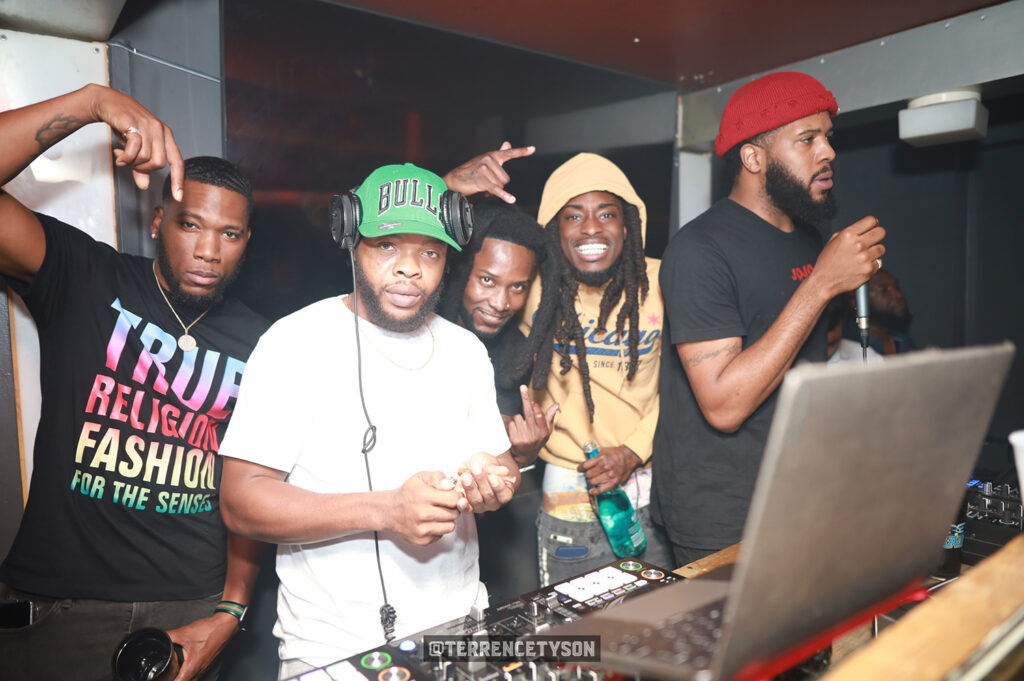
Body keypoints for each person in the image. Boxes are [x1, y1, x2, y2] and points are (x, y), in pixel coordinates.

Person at [0, 85, 268, 681]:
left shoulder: (264, 342)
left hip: (190, 609)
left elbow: (253, 485)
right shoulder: (86, 278)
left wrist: (230, 611)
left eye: (229, 234)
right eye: (191, 224)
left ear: (246, 243)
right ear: (157, 222)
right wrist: (92, 102)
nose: (208, 250)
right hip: (63, 606)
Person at [218, 164, 520, 677]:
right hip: (332, 651)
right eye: (387, 246)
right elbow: (240, 502)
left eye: (430, 251)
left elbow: (503, 464)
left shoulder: (466, 350)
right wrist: (386, 510)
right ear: (351, 242)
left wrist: (494, 484)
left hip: (460, 633)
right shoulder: (293, 343)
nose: (410, 269)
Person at [652, 71, 887, 565]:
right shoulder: (699, 250)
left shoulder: (807, 238)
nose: (828, 152)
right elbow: (724, 405)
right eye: (807, 139)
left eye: (828, 137)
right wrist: (821, 284)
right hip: (723, 515)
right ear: (753, 158)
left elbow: (800, 359)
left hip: (799, 493)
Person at [520, 153, 675, 584]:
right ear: (554, 230)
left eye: (607, 214)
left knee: (657, 622)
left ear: (627, 227)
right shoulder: (531, 287)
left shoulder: (663, 281)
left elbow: (684, 385)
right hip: (570, 499)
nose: (591, 227)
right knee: (575, 626)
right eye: (573, 216)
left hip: (652, 492)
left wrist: (633, 450)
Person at [437, 197, 561, 463]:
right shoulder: (414, 325)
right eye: (487, 280)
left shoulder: (516, 356)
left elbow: (495, 451)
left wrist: (524, 452)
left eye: (518, 287)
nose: (501, 303)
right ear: (461, 272)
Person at [824, 295, 883, 364]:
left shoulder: (866, 357)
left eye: (832, 344)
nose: (827, 353)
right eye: (820, 345)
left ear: (842, 324)